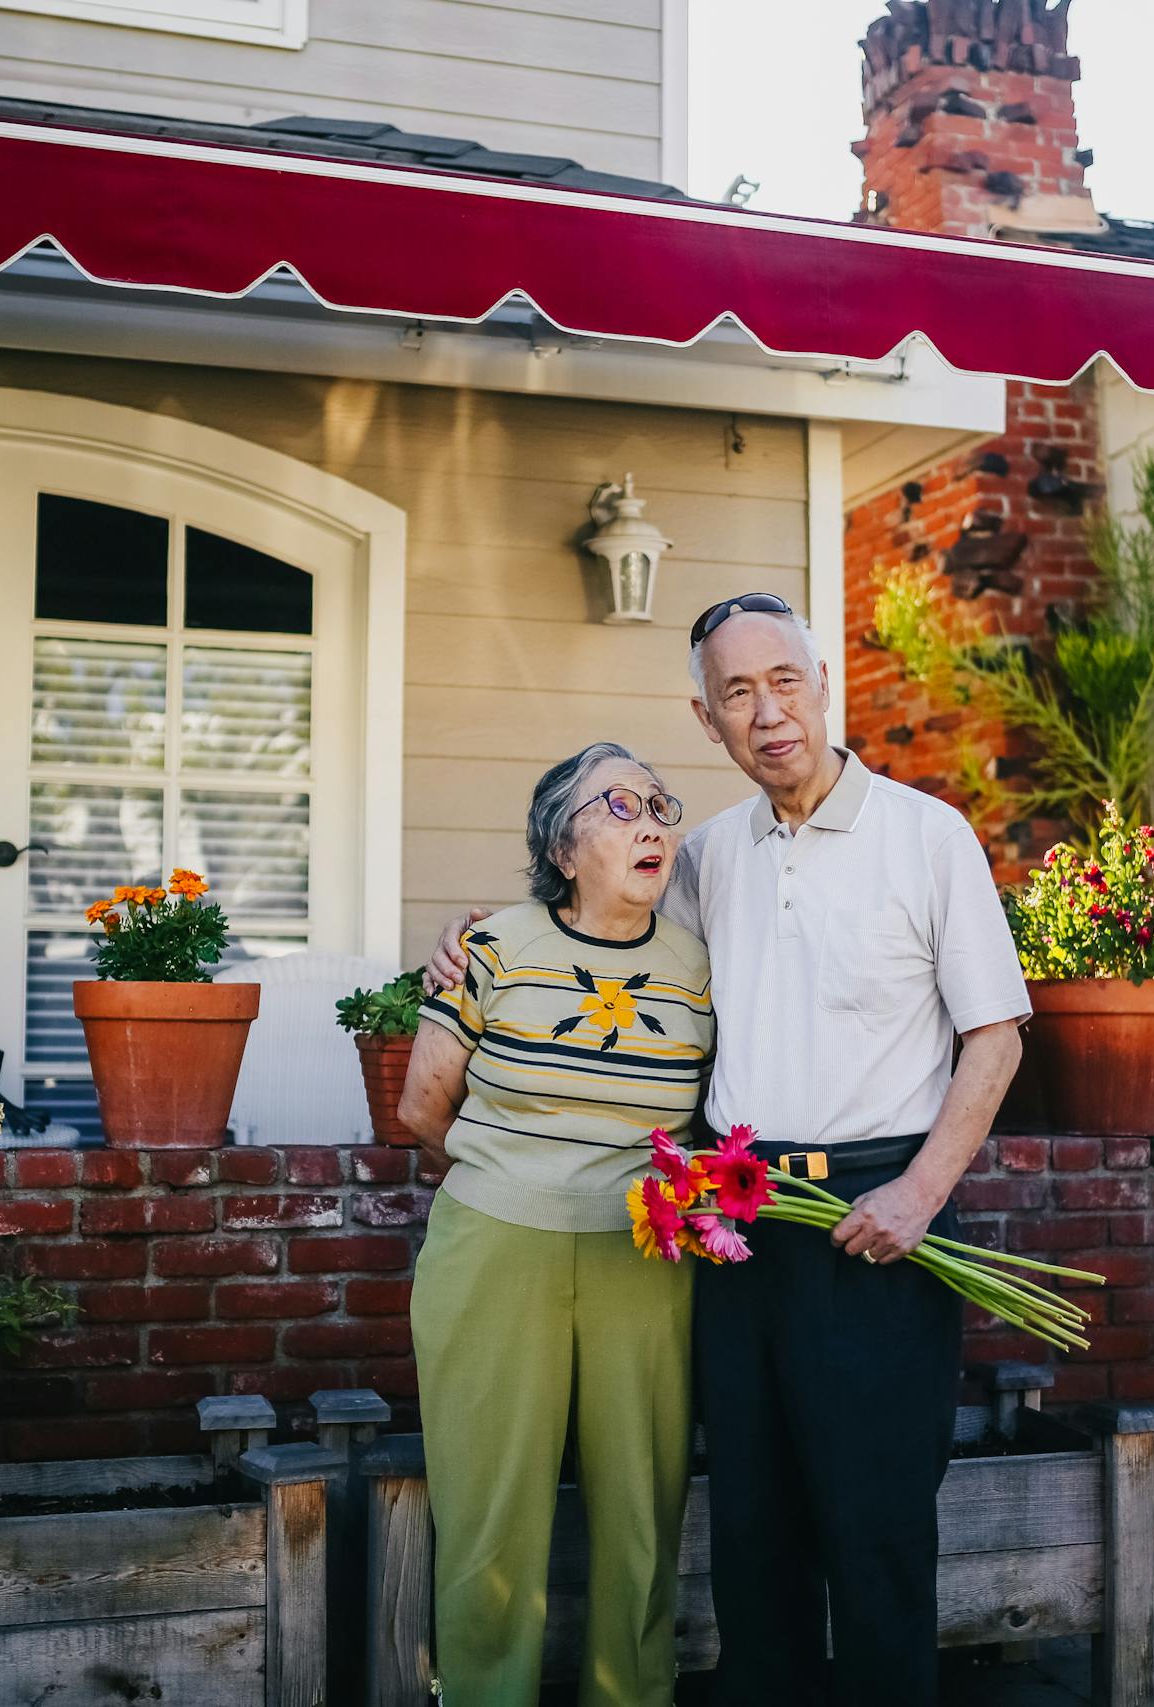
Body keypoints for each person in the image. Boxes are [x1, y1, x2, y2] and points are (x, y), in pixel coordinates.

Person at [431, 595, 1029, 1707]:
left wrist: (920, 1191)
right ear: (706, 721)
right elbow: (595, 923)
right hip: (739, 1223)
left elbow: (994, 1033)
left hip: (878, 1222)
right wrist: (474, 948)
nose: (768, 713)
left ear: (821, 681)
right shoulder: (705, 857)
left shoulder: (924, 835)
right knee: (753, 1530)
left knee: (875, 1526)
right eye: (737, 694)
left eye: (783, 681)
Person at [399, 741, 713, 1707]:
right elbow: (421, 1108)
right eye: (618, 804)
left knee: (641, 1518)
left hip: (644, 1257)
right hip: (494, 1249)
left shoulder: (702, 965)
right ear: (562, 848)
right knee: (490, 1519)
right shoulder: (493, 945)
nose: (650, 819)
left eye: (660, 801)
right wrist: (522, 1180)